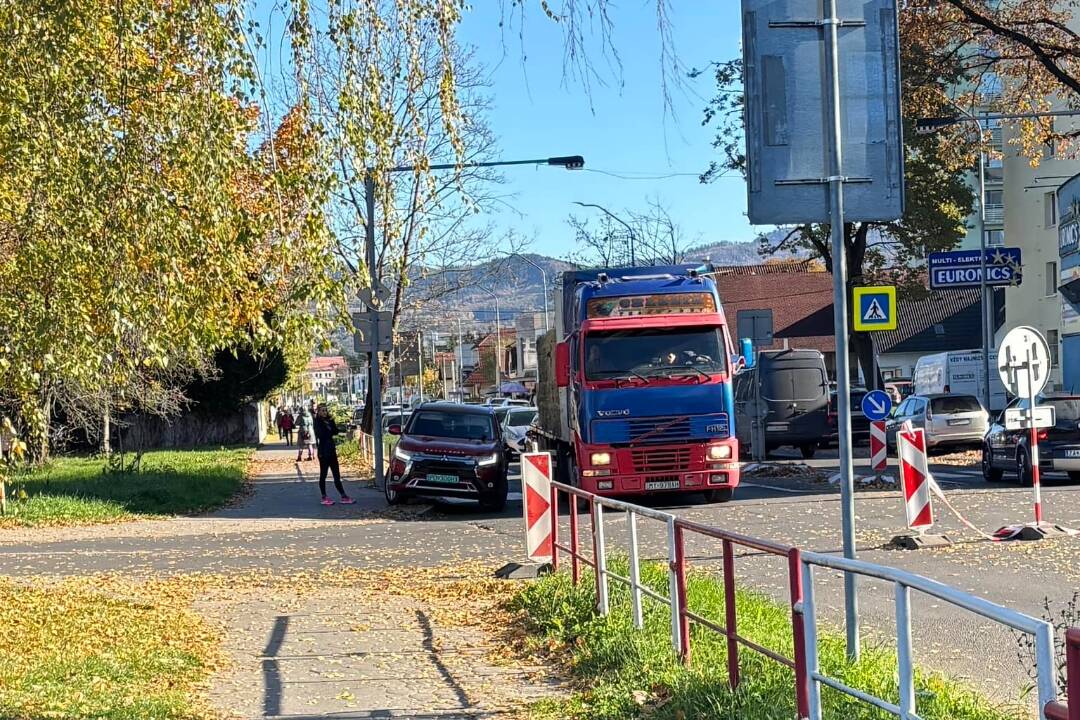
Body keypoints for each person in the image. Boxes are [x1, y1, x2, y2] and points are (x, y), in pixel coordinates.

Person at [313, 404, 353, 506]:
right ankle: (324, 496)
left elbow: (335, 431)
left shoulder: (329, 421)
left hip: (331, 450)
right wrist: (329, 430)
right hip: (323, 451)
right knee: (324, 474)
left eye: (325, 410)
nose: (324, 412)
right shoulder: (317, 422)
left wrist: (331, 425)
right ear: (318, 412)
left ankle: (343, 496)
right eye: (322, 410)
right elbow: (321, 434)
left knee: (336, 474)